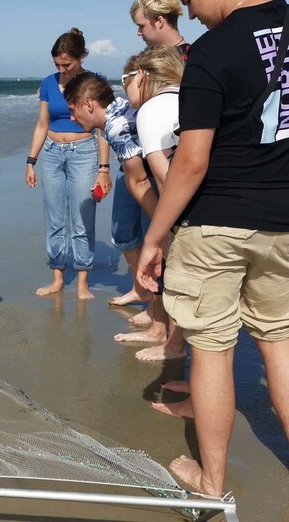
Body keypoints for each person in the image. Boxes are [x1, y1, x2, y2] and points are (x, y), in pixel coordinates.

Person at [135, 0, 289, 496]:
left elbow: (191, 161)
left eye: (190, 2)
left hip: (213, 222)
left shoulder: (213, 50)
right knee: (280, 335)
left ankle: (210, 481)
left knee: (211, 348)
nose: (190, 12)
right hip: (283, 219)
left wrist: (154, 237)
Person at [24, 29, 111, 300]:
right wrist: (31, 160)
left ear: (81, 57)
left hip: (83, 152)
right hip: (50, 152)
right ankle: (58, 277)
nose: (62, 69)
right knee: (54, 217)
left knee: (82, 218)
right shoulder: (49, 83)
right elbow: (42, 124)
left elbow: (103, 129)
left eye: (67, 64)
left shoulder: (94, 83)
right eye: (57, 65)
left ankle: (83, 281)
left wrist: (104, 169)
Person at [62, 73, 158, 314]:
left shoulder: (115, 127)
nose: (72, 118)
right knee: (122, 233)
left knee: (155, 244)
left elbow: (141, 180)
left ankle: (158, 312)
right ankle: (142, 290)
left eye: (73, 110)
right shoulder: (119, 107)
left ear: (88, 104)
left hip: (153, 177)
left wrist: (163, 227)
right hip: (135, 169)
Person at [116, 46, 187, 363]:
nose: (123, 87)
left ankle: (174, 346)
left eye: (125, 79)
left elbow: (164, 181)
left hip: (190, 215)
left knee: (181, 283)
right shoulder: (191, 99)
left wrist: (160, 235)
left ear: (142, 75)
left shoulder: (151, 111)